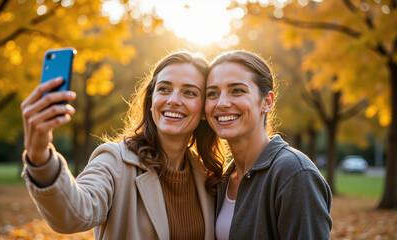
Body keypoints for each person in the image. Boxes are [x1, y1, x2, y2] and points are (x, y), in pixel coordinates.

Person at [20, 51, 225, 239]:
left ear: (205, 109)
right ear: (151, 100)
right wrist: (40, 155)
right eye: (164, 89)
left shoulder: (207, 176)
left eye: (189, 92)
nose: (173, 100)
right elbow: (73, 214)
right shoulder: (115, 161)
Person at [204, 50, 332, 240]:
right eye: (212, 93)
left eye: (237, 90)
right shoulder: (222, 179)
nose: (221, 103)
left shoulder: (294, 173)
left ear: (267, 102)